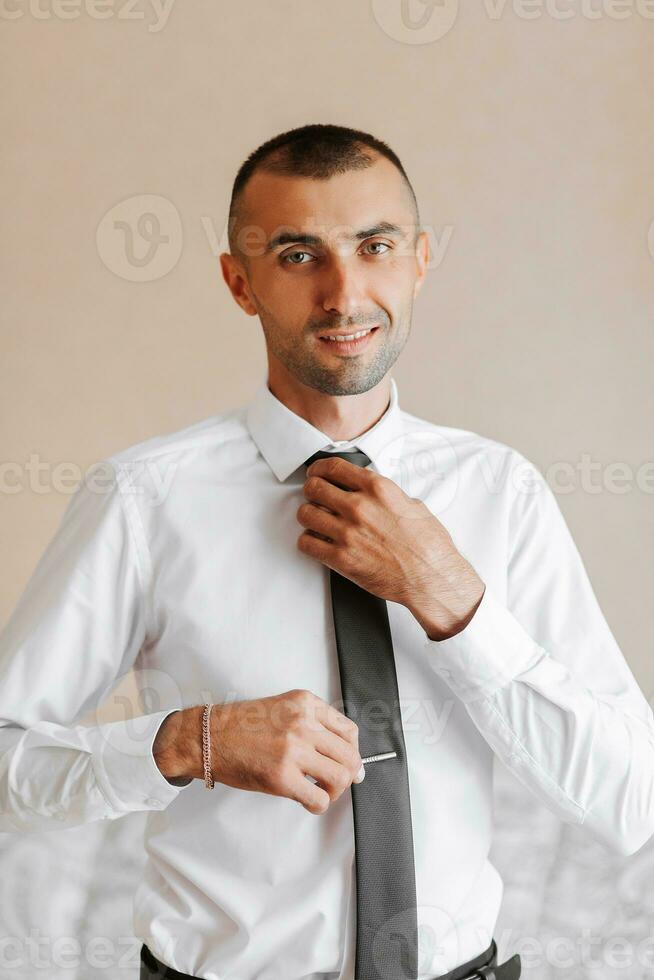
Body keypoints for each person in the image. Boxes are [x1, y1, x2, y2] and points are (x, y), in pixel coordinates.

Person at [1, 123, 652, 980]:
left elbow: (630, 801)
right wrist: (184, 741)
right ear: (239, 282)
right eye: (298, 255)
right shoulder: (144, 499)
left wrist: (452, 598)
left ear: (418, 261)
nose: (345, 294)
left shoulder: (503, 492)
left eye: (374, 247)